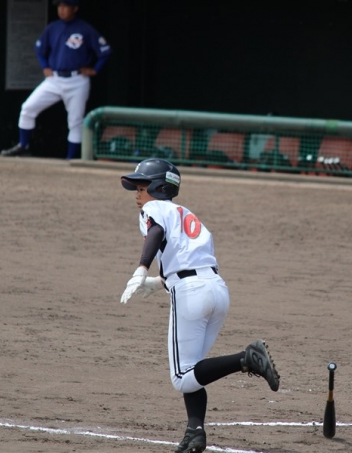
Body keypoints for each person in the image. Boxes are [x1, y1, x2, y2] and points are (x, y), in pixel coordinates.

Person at [118, 158, 280, 453]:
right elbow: (192, 262)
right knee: (194, 370)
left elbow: (155, 233)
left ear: (159, 187)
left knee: (181, 378)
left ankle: (246, 358)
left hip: (191, 295)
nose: (137, 195)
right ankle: (195, 433)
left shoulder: (154, 209)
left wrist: (141, 268)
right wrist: (158, 282)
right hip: (217, 290)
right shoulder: (187, 215)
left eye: (141, 187)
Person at [0, 0, 111, 160]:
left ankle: (70, 158)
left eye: (65, 6)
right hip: (55, 79)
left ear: (75, 8)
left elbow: (105, 51)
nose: (61, 9)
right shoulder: (52, 27)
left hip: (77, 80)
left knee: (75, 122)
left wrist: (95, 69)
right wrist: (45, 66)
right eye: (59, 6)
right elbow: (39, 49)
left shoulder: (85, 28)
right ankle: (23, 146)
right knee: (27, 108)